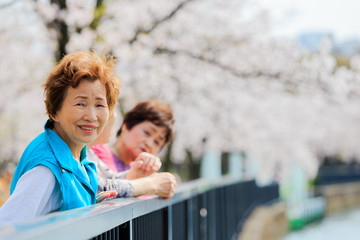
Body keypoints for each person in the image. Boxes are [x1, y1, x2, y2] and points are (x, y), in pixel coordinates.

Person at [0, 51, 120, 226]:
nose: (92, 116)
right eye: (80, 104)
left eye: (100, 105)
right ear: (54, 112)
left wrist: (89, 207)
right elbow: (6, 226)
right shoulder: (47, 169)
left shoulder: (78, 158)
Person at [89, 100, 177, 199]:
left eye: (157, 142)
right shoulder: (96, 152)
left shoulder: (138, 168)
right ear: (126, 125)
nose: (149, 143)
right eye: (147, 132)